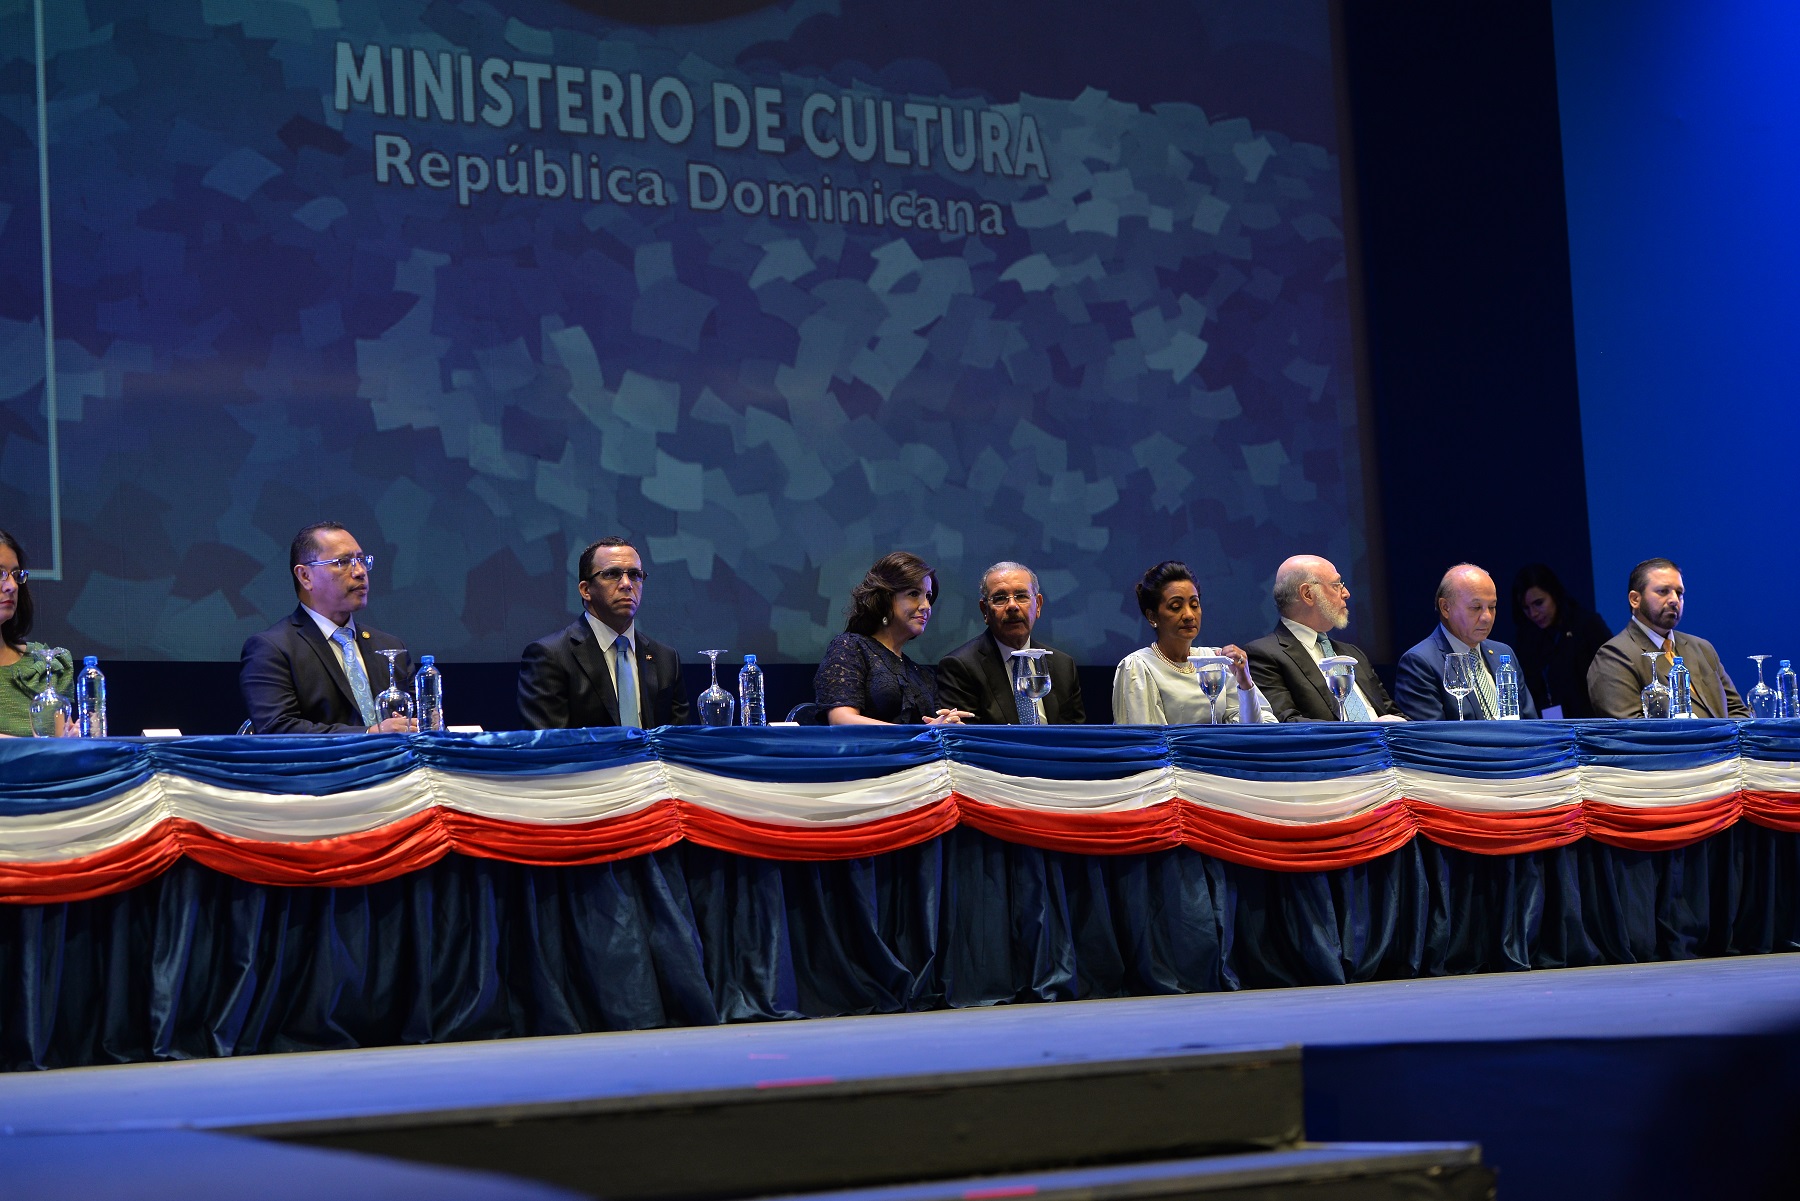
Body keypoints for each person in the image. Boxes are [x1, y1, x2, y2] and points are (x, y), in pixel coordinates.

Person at [239, 522, 416, 734]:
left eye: (361, 560)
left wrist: (424, 722)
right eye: (343, 562)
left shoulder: (390, 646)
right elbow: (279, 730)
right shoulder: (272, 649)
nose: (360, 571)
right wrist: (369, 734)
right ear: (305, 576)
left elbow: (417, 719)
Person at [518, 536, 688, 729]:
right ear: (585, 589)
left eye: (634, 574)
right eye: (612, 574)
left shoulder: (666, 658)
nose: (626, 584)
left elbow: (679, 742)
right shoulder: (550, 656)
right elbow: (551, 746)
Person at [1245, 555, 1405, 722]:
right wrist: (1364, 733)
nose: (1346, 593)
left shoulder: (1353, 653)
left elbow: (1392, 713)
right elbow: (1288, 723)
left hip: (1385, 745)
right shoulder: (1263, 655)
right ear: (1307, 594)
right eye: (1337, 585)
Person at [1112, 561, 1275, 725]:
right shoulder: (1138, 666)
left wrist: (1245, 683)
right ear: (1152, 617)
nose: (1189, 614)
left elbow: (1258, 731)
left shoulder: (1215, 660)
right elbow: (1146, 740)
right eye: (1176, 606)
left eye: (1194, 604)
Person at [815, 551, 968, 725]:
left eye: (928, 596)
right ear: (885, 599)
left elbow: (929, 733)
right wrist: (920, 733)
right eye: (913, 594)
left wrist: (947, 725)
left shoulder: (923, 675)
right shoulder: (850, 648)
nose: (926, 606)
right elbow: (841, 720)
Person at [1586, 557, 1750, 719]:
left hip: (1724, 746)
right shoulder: (1614, 656)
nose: (1674, 600)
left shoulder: (1702, 648)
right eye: (1663, 591)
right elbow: (1632, 732)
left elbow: (1738, 712)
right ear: (1635, 599)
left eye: (1679, 593)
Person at [936, 561, 1086, 725]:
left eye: (1022, 596)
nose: (1012, 606)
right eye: (1000, 598)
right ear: (985, 610)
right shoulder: (960, 667)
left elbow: (1076, 738)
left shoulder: (1063, 666)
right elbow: (970, 741)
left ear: (1038, 606)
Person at [1395, 564, 1542, 720]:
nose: (1487, 617)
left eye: (1492, 607)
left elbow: (1530, 724)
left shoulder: (1504, 654)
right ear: (1445, 608)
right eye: (1476, 607)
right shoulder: (1420, 663)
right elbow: (1433, 739)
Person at [1510, 563, 1613, 718]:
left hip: (1591, 721)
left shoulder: (1586, 624)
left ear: (1554, 595)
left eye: (1539, 603)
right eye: (1526, 608)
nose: (1534, 613)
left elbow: (1609, 677)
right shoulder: (1527, 636)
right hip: (1548, 726)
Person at [0, 529, 74, 737]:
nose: (12, 586)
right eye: (0, 574)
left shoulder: (46, 666)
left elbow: (58, 744)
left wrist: (73, 739)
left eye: (16, 575)